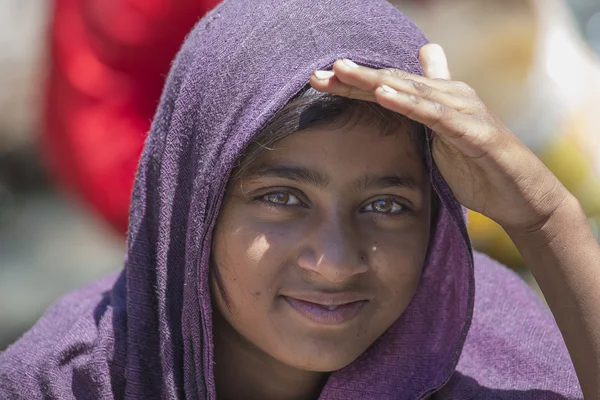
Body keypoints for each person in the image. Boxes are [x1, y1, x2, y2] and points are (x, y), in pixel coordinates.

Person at [1, 0, 598, 398]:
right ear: (192, 207)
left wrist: (547, 219)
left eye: (387, 205)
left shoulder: (494, 351)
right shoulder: (70, 380)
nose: (336, 262)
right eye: (282, 197)